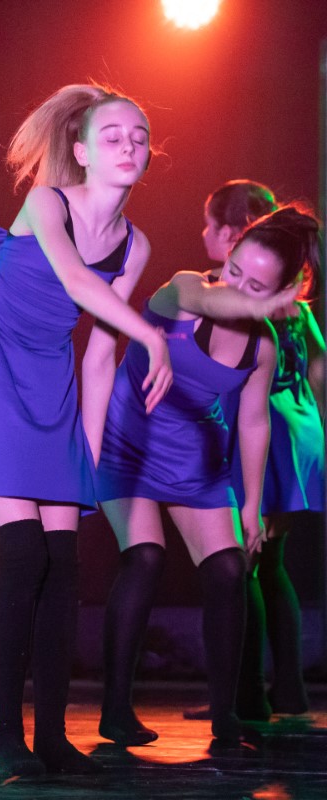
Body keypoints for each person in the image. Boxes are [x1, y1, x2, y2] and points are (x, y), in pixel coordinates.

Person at [0, 84, 174, 776]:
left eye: (139, 137)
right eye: (112, 136)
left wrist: (87, 454)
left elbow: (98, 355)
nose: (129, 146)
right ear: (81, 150)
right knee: (25, 556)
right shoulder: (46, 203)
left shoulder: (134, 242)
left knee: (64, 566)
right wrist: (152, 337)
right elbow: (73, 280)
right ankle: (5, 735)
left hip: (56, 392)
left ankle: (53, 737)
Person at [96, 205, 317, 749]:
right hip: (129, 445)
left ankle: (227, 715)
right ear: (230, 251)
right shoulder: (183, 289)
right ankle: (115, 709)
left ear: (280, 291)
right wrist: (257, 301)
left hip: (195, 460)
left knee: (229, 568)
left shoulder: (263, 345)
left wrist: (252, 506)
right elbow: (212, 299)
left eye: (257, 286)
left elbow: (254, 422)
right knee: (145, 557)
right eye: (235, 269)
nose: (237, 286)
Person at [198, 181, 323, 720]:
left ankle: (243, 695)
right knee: (270, 565)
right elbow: (320, 363)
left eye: (210, 225)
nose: (205, 235)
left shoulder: (233, 298)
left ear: (233, 232)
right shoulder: (294, 302)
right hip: (301, 434)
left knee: (243, 563)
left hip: (266, 435)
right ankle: (286, 689)